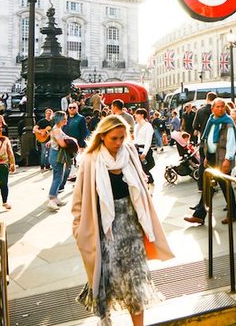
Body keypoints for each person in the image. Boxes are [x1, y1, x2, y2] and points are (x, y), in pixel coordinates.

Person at [71, 115, 173, 325]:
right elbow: (79, 198)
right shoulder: (91, 160)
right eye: (114, 138)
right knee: (106, 280)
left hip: (132, 227)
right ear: (102, 137)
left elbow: (140, 186)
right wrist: (77, 228)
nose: (119, 143)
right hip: (104, 229)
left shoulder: (130, 152)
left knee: (135, 281)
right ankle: (105, 320)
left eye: (122, 137)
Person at [184, 98, 236, 225]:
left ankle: (232, 214)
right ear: (212, 108)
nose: (220, 109)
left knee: (226, 187)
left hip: (222, 158)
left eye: (222, 107)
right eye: (218, 107)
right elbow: (207, 139)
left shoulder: (228, 122)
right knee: (207, 186)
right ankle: (200, 215)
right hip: (211, 158)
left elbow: (231, 143)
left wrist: (228, 159)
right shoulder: (211, 120)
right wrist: (206, 157)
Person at [47, 111, 73, 211]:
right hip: (56, 155)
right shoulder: (57, 130)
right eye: (65, 118)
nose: (66, 120)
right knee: (58, 178)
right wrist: (72, 143)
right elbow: (62, 144)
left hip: (55, 155)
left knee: (57, 176)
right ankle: (52, 199)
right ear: (61, 119)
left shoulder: (56, 129)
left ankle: (55, 197)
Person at [64, 102, 89, 183]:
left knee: (78, 161)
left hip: (78, 144)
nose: (71, 109)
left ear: (77, 108)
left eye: (74, 107)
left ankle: (78, 176)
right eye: (70, 107)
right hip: (67, 144)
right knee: (69, 161)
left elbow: (84, 132)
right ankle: (72, 175)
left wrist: (81, 145)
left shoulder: (81, 118)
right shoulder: (66, 118)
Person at [132, 108, 156, 185]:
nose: (135, 116)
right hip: (137, 148)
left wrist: (144, 153)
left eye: (137, 114)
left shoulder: (148, 126)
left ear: (142, 115)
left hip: (145, 149)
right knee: (140, 167)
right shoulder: (136, 126)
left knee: (148, 165)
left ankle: (149, 179)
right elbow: (135, 139)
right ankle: (146, 180)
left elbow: (148, 141)